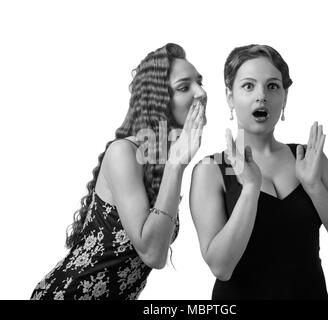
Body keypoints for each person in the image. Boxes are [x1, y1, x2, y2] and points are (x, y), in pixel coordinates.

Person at [31, 43, 207, 300]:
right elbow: (152, 254)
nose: (201, 92)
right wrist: (176, 164)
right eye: (184, 87)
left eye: (199, 82)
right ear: (158, 98)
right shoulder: (123, 153)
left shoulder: (163, 161)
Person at [189, 44, 328, 300]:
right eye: (248, 86)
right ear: (229, 97)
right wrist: (249, 190)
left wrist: (314, 187)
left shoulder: (310, 158)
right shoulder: (210, 171)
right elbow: (221, 267)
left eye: (272, 86)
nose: (262, 96)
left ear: (284, 97)